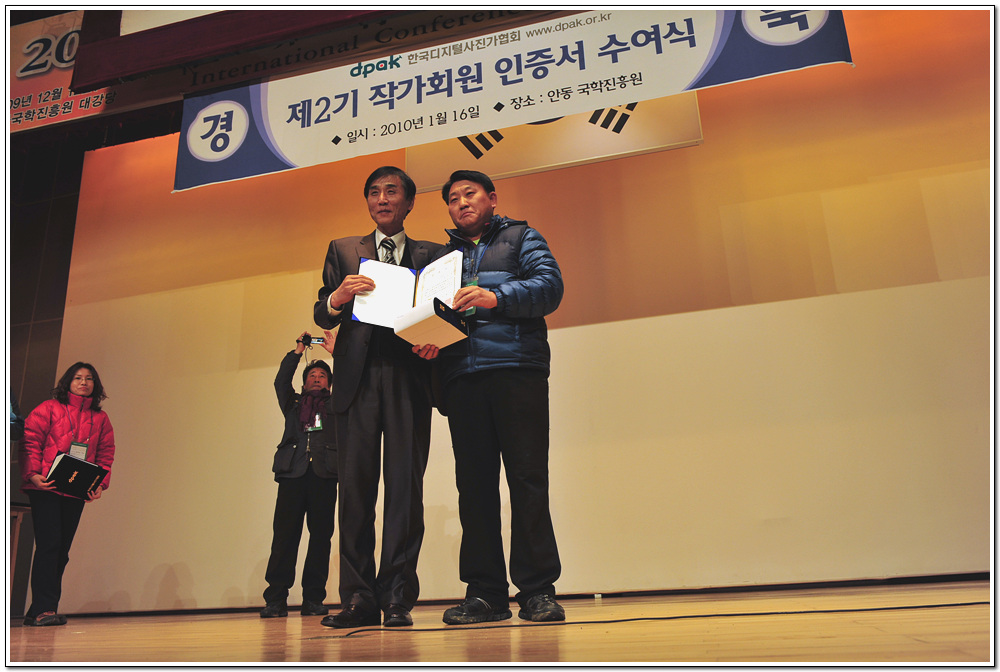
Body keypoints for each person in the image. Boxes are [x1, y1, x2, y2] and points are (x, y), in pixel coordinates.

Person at [416, 170, 566, 624]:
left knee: (527, 480)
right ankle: (485, 594)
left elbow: (550, 288)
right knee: (474, 488)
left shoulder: (522, 237)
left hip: (517, 370)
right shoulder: (441, 259)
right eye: (453, 199)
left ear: (492, 198)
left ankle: (537, 591)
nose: (461, 203)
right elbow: (430, 313)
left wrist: (494, 297)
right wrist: (428, 339)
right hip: (462, 376)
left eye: (470, 194)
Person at [313, 166, 442, 628]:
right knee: (355, 492)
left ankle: (397, 598)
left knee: (405, 492)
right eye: (373, 192)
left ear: (409, 202)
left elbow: (445, 315)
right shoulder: (343, 249)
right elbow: (322, 313)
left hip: (409, 378)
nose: (382, 199)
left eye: (391, 191)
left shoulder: (434, 254)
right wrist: (337, 297)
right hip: (357, 380)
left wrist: (437, 339)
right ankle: (358, 599)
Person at [20, 362, 116, 626]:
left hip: (74, 490)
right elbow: (30, 441)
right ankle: (44, 609)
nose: (84, 382)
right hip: (46, 487)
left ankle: (40, 609)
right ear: (68, 382)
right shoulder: (48, 408)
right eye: (78, 378)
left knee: (62, 550)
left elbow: (106, 454)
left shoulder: (101, 419)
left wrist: (99, 484)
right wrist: (33, 475)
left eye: (89, 378)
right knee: (49, 546)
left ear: (95, 385)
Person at [260, 330, 339, 619]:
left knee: (321, 538)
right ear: (304, 382)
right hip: (292, 473)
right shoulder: (293, 405)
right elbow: (281, 381)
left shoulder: (336, 405)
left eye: (322, 376)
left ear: (329, 383)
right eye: (312, 375)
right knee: (284, 537)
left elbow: (351, 384)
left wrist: (336, 354)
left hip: (324, 474)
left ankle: (313, 599)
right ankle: (276, 599)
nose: (317, 378)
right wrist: (297, 351)